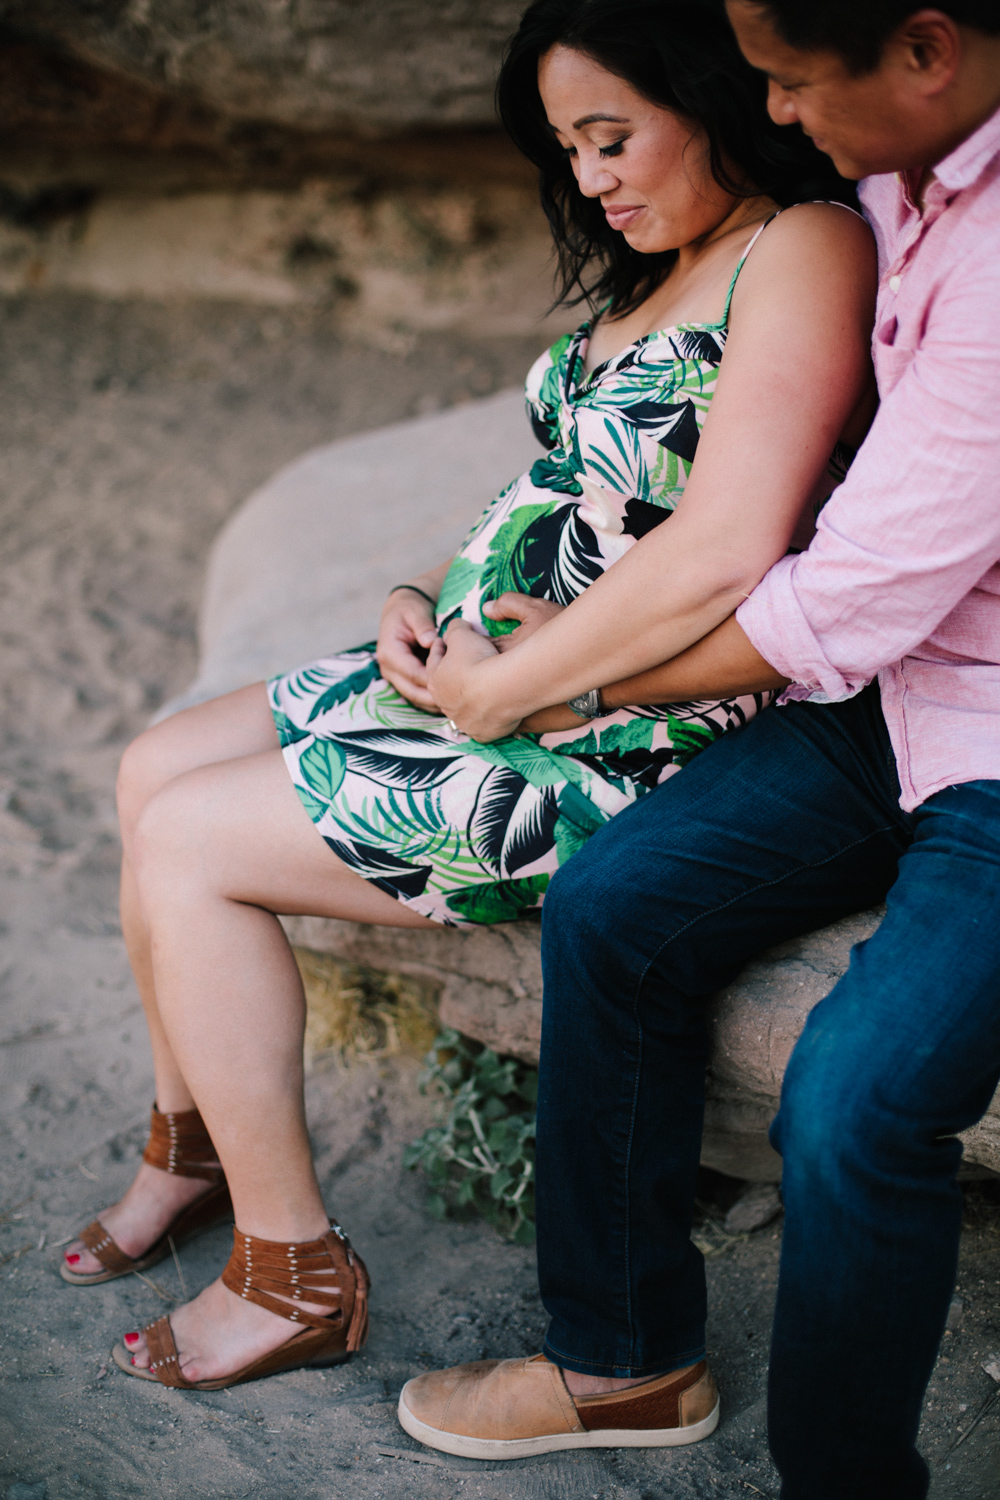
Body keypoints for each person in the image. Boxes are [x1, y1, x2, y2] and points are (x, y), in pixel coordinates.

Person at [59, 0, 876, 1393]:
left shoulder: (800, 247)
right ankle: (191, 1141)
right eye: (569, 152)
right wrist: (415, 591)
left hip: (623, 732)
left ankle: (292, 1268)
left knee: (192, 847)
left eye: (613, 136)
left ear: (709, 95)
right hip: (486, 677)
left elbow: (728, 542)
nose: (593, 178)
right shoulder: (653, 270)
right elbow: (559, 495)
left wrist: (512, 691)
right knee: (153, 769)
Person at [405, 3, 1000, 1496]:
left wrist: (560, 692)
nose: (779, 119)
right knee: (618, 908)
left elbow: (841, 601)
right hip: (901, 693)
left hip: (977, 730)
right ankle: (620, 1360)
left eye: (794, 84)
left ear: (924, 50)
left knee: (856, 1099)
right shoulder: (900, 177)